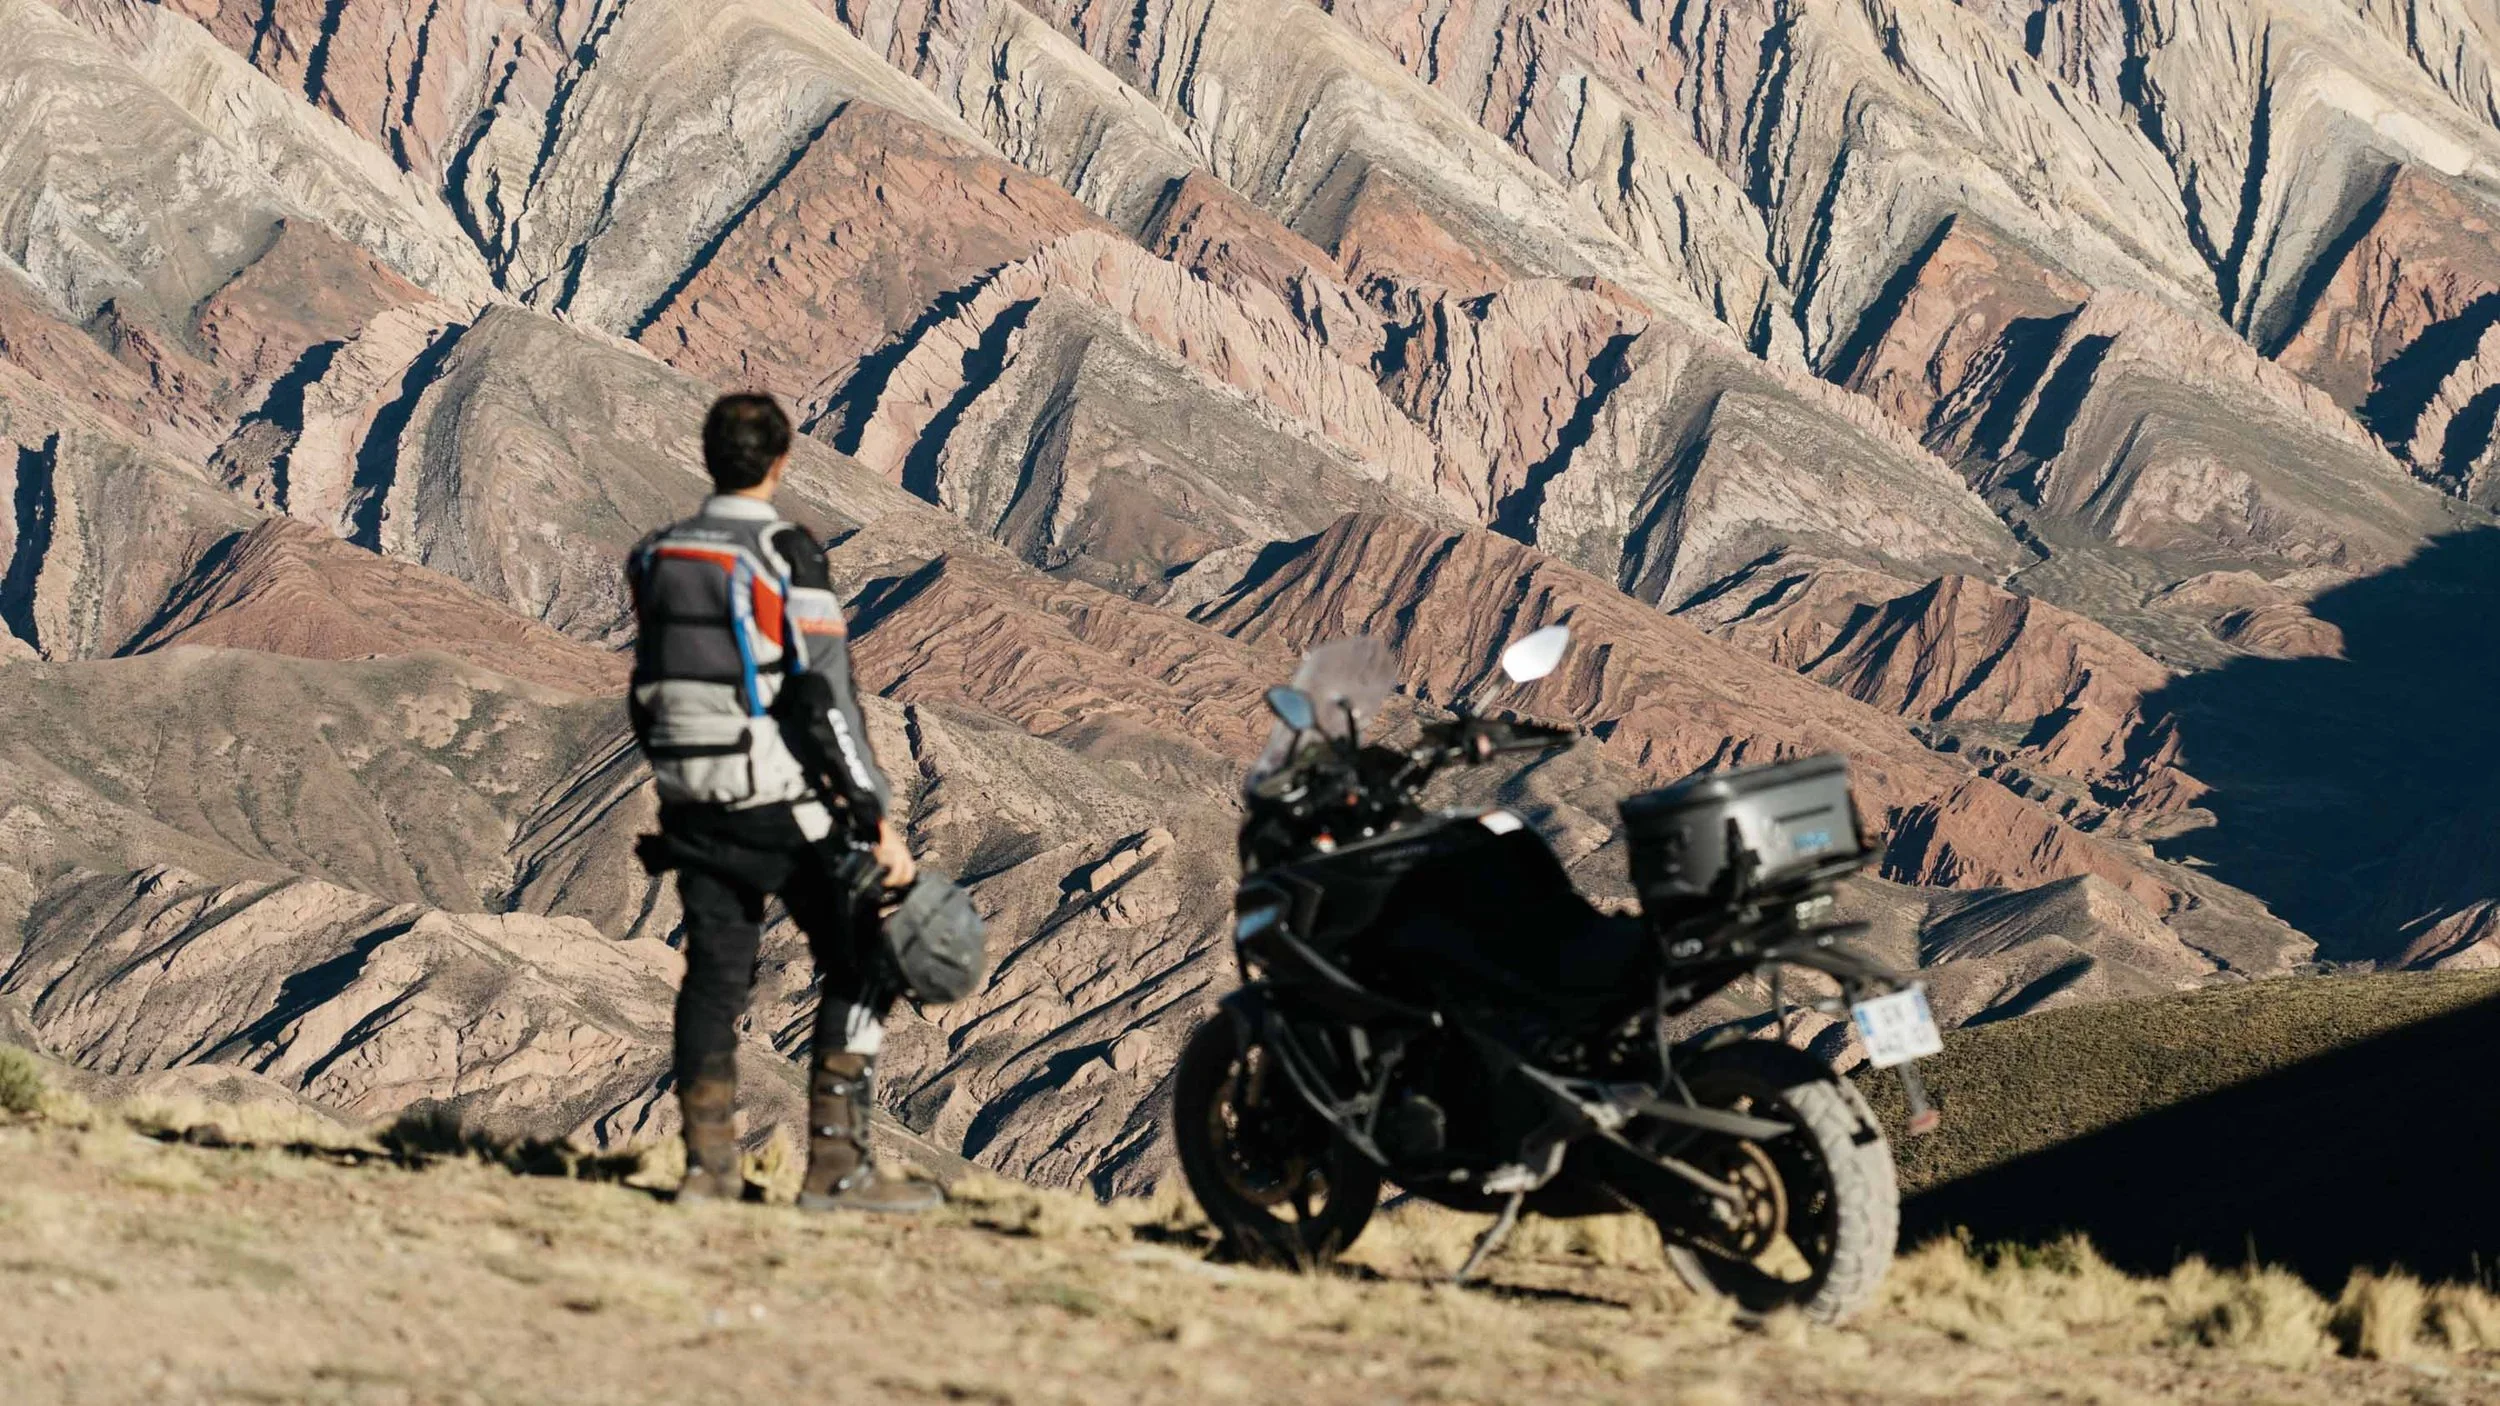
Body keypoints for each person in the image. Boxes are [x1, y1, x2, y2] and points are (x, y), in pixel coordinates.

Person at [624, 392, 937, 1213]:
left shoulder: (659, 553)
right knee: (866, 958)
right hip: (771, 796)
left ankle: (707, 1171)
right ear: (780, 461)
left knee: (716, 977)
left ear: (708, 457)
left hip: (687, 795)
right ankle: (838, 1170)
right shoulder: (785, 553)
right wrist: (871, 812)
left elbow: (647, 681)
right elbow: (824, 695)